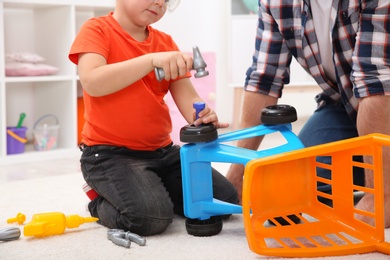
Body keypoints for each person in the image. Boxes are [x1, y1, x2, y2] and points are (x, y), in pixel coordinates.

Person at [68, 0, 238, 236]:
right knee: (150, 219)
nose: (160, 3)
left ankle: (153, 188)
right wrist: (150, 60)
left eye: (166, 0)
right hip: (110, 155)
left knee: (224, 202)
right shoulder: (97, 29)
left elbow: (187, 96)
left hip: (163, 152)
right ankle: (98, 203)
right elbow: (93, 82)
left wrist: (202, 115)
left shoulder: (165, 42)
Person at [226, 0, 390, 228]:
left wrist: (378, 197)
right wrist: (236, 174)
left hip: (385, 101)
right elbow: (264, 80)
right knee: (285, 186)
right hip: (344, 108)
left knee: (379, 192)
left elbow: (375, 81)